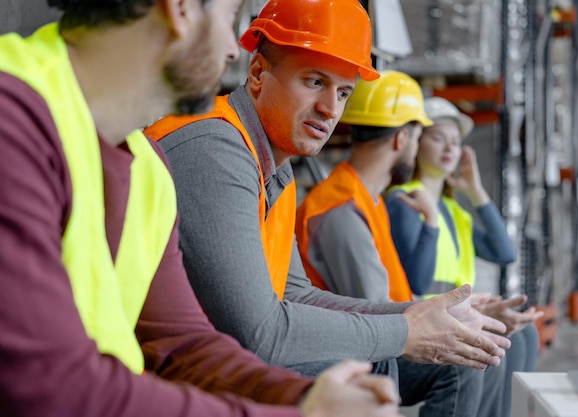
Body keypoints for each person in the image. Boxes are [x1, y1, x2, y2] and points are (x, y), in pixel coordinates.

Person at [0, 0, 404, 415]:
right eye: (230, 18)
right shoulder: (11, 122)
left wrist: (304, 398)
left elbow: (181, 344)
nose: (233, 49)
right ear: (181, 9)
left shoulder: (146, 165)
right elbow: (52, 387)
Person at [145, 2, 511, 416]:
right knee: (367, 364)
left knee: (452, 359)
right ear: (258, 73)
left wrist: (422, 315)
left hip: (214, 364)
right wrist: (405, 330)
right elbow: (258, 333)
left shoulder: (273, 172)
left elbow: (295, 293)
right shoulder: (215, 149)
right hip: (163, 379)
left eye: (342, 92)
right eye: (314, 81)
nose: (330, 108)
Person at [295, 70, 510, 417]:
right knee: (466, 361)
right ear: (402, 139)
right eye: (421, 135)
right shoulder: (340, 210)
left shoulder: (369, 201)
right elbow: (374, 308)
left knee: (483, 350)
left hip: (380, 328)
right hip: (351, 346)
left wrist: (454, 312)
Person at [385, 96, 542, 417]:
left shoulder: (455, 212)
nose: (448, 148)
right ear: (416, 142)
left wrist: (476, 191)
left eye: (455, 142)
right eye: (438, 138)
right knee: (489, 347)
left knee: (524, 334)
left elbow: (504, 252)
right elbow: (417, 279)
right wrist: (428, 218)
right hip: (424, 318)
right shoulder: (404, 199)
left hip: (458, 314)